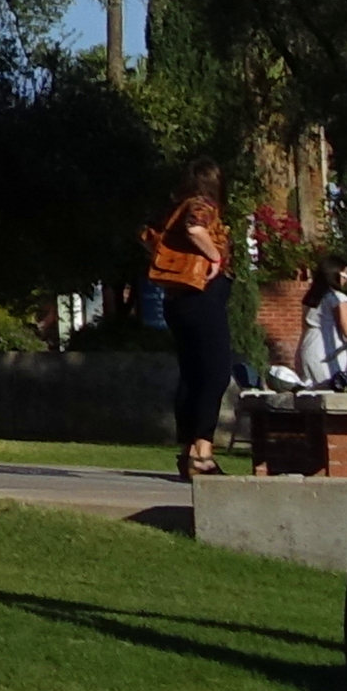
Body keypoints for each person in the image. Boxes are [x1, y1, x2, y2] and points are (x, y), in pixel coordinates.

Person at [144, 164, 237, 478]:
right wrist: (215, 257)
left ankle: (187, 451)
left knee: (192, 375)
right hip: (202, 299)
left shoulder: (172, 209)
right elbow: (195, 229)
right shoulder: (202, 205)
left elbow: (147, 237)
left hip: (177, 300)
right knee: (216, 373)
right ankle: (203, 452)